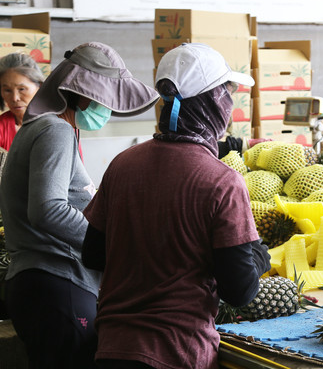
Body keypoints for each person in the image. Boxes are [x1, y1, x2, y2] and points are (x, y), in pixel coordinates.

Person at [81, 43, 271, 369]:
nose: (230, 104)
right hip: (178, 352)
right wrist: (258, 255)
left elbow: (93, 255)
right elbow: (240, 291)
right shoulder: (222, 182)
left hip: (112, 348)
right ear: (214, 104)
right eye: (228, 94)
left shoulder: (122, 165)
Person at [0, 41, 160, 369]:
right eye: (104, 100)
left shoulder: (45, 128)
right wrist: (113, 241)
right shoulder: (54, 130)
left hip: (42, 287)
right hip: (56, 286)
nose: (105, 109)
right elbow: (47, 209)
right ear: (85, 94)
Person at [0, 52, 45, 151]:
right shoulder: (1, 128)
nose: (15, 98)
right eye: (7, 90)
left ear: (40, 87)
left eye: (22, 89)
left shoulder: (60, 127)